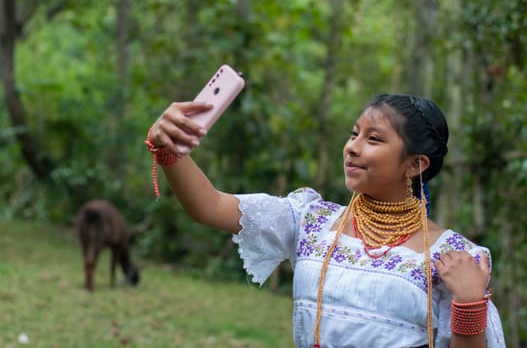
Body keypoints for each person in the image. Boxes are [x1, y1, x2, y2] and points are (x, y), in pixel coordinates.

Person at [145, 94, 505, 348]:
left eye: (374, 139)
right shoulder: (311, 219)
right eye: (353, 134)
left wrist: (469, 304)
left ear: (415, 165)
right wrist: (169, 150)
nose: (352, 146)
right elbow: (209, 207)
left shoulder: (455, 258)